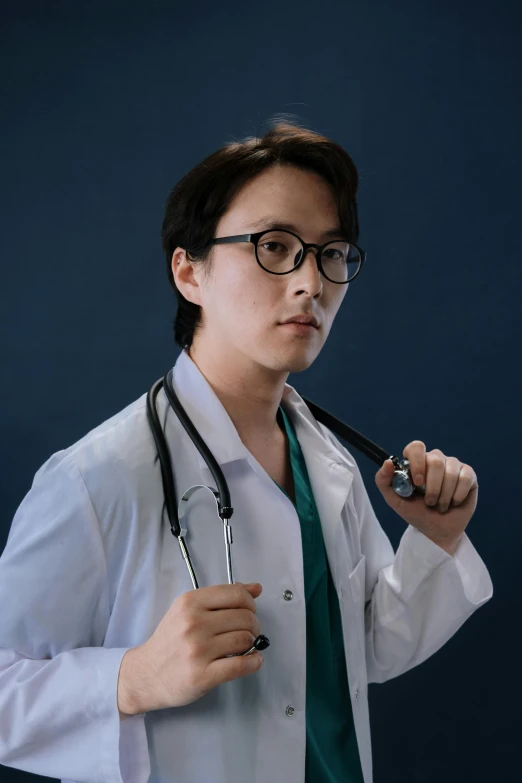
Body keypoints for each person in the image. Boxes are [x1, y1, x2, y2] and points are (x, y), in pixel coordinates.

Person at [0, 120, 493, 783]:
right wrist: (131, 678)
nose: (309, 283)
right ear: (189, 271)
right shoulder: (98, 479)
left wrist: (433, 540)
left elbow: (363, 648)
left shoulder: (326, 460)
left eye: (330, 253)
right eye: (275, 246)